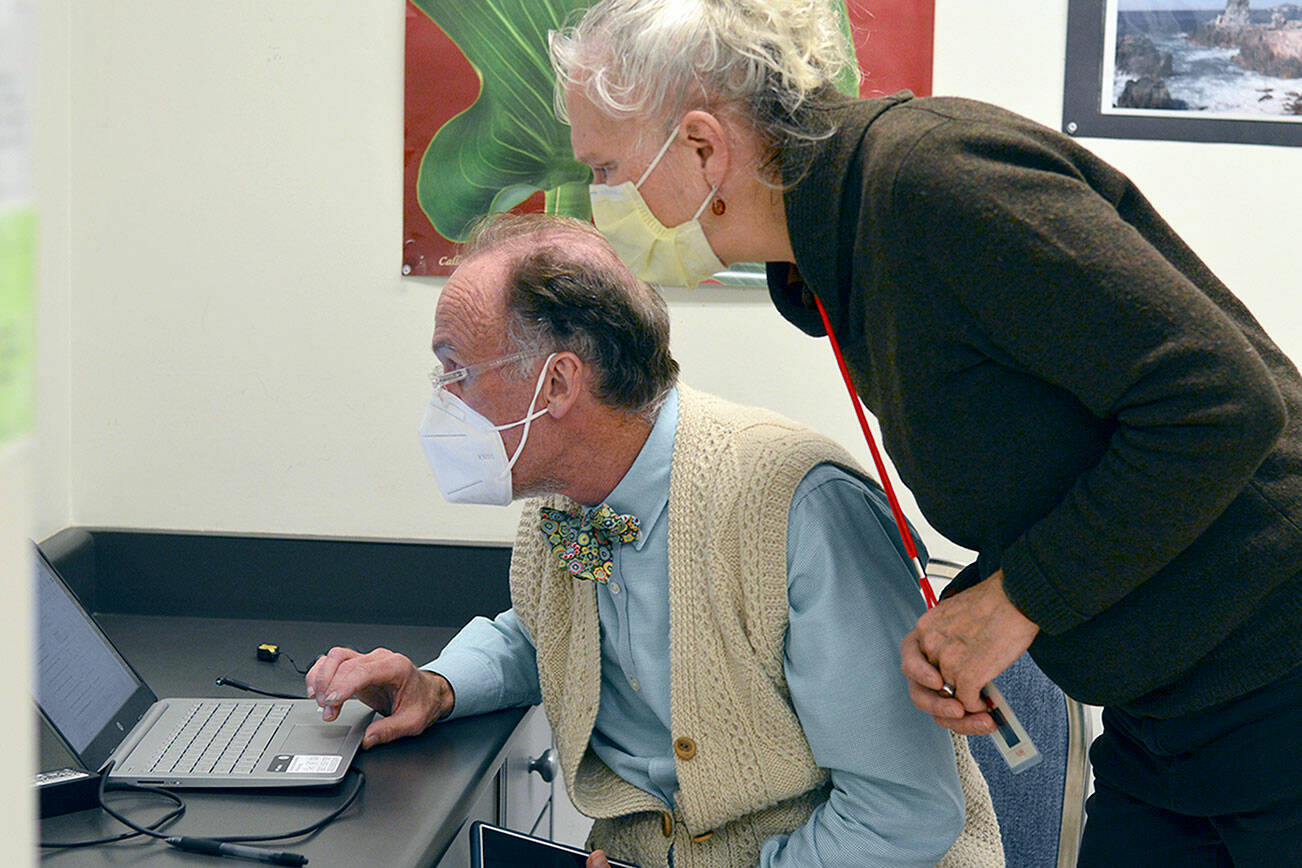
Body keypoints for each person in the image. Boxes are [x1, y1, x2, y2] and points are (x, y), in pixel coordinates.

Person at [548, 1, 1302, 864]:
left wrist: (1019, 602)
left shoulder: (932, 183)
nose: (603, 202)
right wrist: (975, 607)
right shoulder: (839, 251)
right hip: (1166, 717)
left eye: (607, 169)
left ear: (701, 146)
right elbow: (1058, 454)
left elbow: (1221, 403)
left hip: (1274, 681)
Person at [306, 213, 1003, 868]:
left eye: (454, 370)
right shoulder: (572, 497)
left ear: (558, 383)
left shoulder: (798, 508)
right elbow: (554, 634)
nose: (443, 399)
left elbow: (904, 813)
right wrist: (436, 685)